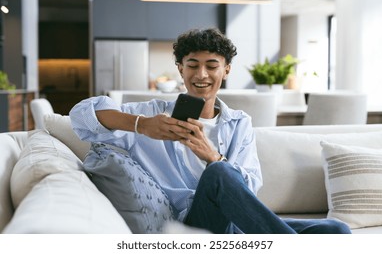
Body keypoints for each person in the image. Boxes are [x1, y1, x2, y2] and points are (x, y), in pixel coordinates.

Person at [69, 28, 351, 234]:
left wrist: (212, 155)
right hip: (190, 227)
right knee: (219, 173)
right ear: (180, 69)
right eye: (192, 65)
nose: (201, 75)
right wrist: (141, 125)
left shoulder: (239, 123)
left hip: (234, 225)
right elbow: (81, 116)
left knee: (335, 230)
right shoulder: (152, 116)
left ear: (226, 70)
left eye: (211, 66)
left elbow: (249, 190)